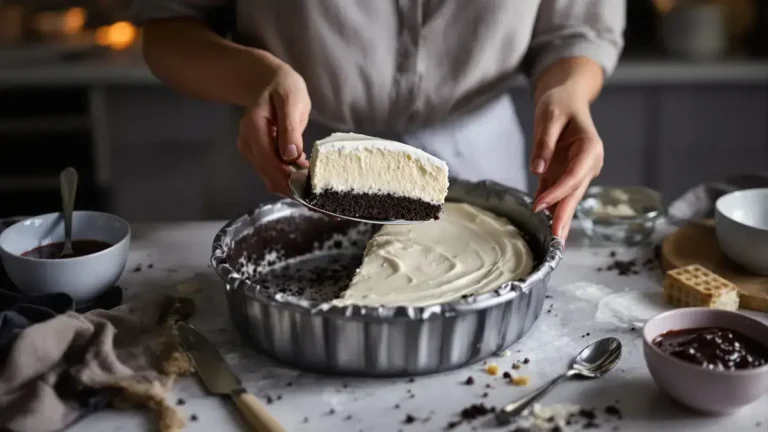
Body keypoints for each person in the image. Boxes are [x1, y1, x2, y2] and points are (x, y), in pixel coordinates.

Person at [136, 1, 625, 244]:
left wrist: (568, 94)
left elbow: (577, 30)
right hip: (288, 159)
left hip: (473, 159)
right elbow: (169, 27)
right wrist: (255, 79)